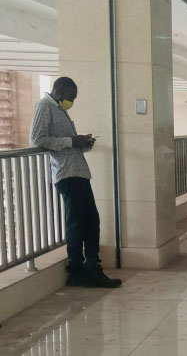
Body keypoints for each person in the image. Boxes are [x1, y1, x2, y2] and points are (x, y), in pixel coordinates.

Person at [30, 77, 121, 288]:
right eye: (70, 97)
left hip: (78, 172)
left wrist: (83, 143)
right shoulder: (44, 106)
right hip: (67, 174)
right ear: (59, 91)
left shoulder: (60, 109)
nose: (71, 102)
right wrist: (72, 141)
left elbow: (66, 143)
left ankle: (91, 267)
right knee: (77, 223)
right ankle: (78, 270)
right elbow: (37, 139)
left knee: (91, 221)